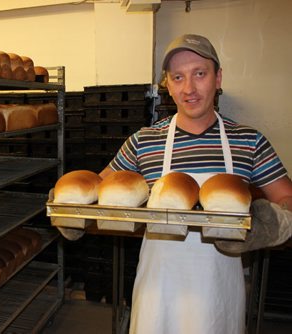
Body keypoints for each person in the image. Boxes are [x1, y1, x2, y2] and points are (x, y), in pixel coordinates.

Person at [99, 34, 292, 334]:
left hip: (218, 292)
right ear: (168, 85)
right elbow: (97, 190)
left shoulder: (249, 141)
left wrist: (275, 223)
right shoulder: (143, 142)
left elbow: (286, 197)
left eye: (199, 74)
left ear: (218, 78)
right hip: (158, 291)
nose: (188, 88)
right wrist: (66, 209)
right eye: (178, 77)